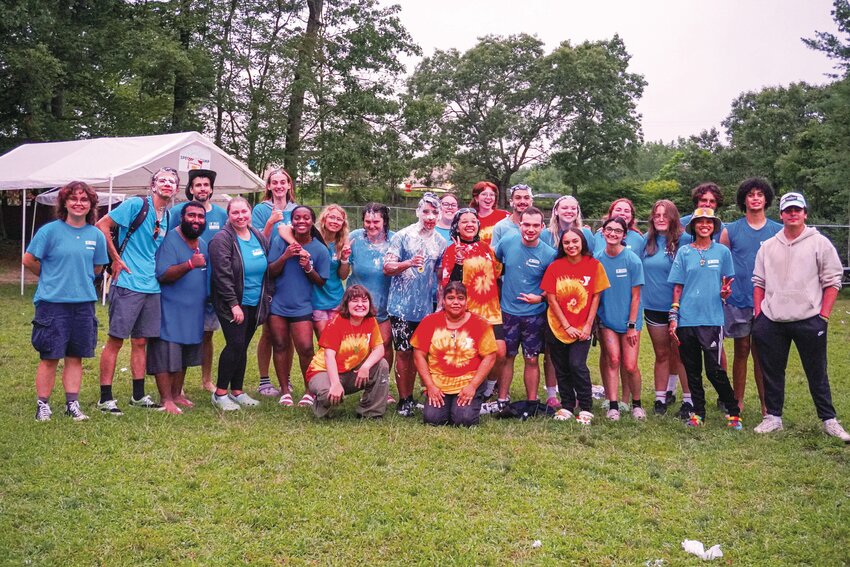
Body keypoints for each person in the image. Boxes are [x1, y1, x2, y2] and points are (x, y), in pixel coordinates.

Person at [751, 192, 850, 442]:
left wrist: (823, 316)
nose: (793, 214)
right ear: (781, 214)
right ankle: (773, 417)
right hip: (772, 320)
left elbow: (832, 282)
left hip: (809, 319)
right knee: (772, 371)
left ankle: (829, 419)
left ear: (805, 213)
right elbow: (758, 282)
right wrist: (759, 314)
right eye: (788, 210)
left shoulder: (819, 243)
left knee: (817, 372)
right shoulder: (769, 246)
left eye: (798, 209)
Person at [24, 181, 108, 422]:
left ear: (91, 205)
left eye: (84, 199)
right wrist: (48, 278)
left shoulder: (95, 235)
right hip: (52, 304)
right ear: (64, 203)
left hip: (83, 305)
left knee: (75, 356)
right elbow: (28, 259)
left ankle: (72, 404)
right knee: (50, 356)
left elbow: (98, 266)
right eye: (73, 198)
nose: (79, 203)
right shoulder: (49, 231)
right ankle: (43, 406)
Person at [95, 167, 176, 414]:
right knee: (116, 340)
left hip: (152, 286)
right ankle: (105, 398)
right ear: (152, 185)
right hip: (128, 283)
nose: (167, 184)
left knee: (141, 341)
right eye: (162, 180)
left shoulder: (169, 216)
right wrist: (115, 259)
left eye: (172, 181)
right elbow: (101, 225)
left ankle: (138, 396)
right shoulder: (136, 205)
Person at [667, 208, 740, 429]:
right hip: (687, 319)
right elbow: (678, 287)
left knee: (714, 370)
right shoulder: (684, 252)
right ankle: (698, 414)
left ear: (714, 226)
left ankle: (733, 412)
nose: (704, 225)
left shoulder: (722, 252)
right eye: (700, 222)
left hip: (711, 319)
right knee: (692, 370)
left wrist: (725, 293)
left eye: (709, 222)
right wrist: (674, 316)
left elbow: (726, 284)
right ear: (694, 226)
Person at [719, 178, 781, 414]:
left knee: (762, 354)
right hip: (738, 300)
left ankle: (767, 406)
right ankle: (738, 402)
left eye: (759, 194)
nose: (755, 198)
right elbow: (723, 265)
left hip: (768, 302)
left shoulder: (777, 230)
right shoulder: (730, 230)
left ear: (766, 199)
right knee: (741, 350)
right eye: (750, 194)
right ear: (743, 200)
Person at [384, 193, 447, 416]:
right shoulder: (403, 236)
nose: (430, 217)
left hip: (425, 309)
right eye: (426, 212)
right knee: (403, 352)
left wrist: (440, 305)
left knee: (420, 353)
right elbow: (387, 267)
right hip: (400, 307)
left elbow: (441, 278)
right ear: (417, 212)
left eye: (434, 213)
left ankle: (418, 395)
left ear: (440, 216)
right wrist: (408, 263)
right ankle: (404, 399)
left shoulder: (440, 241)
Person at [208, 197, 272, 411]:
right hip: (232, 303)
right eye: (235, 213)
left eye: (244, 211)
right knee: (234, 344)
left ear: (250, 212)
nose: (240, 216)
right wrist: (233, 304)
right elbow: (222, 275)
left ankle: (237, 391)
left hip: (255, 301)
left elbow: (266, 268)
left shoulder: (257, 236)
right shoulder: (222, 239)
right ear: (229, 215)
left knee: (242, 346)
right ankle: (220, 393)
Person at [541, 228, 609, 424]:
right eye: (566, 243)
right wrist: (566, 326)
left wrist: (588, 326)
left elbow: (596, 297)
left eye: (575, 241)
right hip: (557, 326)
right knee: (561, 367)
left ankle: (586, 407)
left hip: (582, 328)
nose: (571, 246)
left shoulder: (594, 265)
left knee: (577, 365)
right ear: (562, 246)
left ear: (582, 243)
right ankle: (567, 406)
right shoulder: (555, 267)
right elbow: (551, 300)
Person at [169, 169, 228, 393]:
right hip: (184, 280)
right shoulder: (177, 211)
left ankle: (206, 380)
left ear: (211, 189)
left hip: (211, 282)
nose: (202, 188)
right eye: (198, 185)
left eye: (206, 185)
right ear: (191, 189)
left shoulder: (222, 215)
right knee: (181, 333)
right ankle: (178, 384)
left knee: (207, 334)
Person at [148, 202, 209, 415]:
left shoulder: (202, 242)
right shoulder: (170, 240)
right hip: (170, 308)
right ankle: (166, 399)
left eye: (200, 217)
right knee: (166, 355)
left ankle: (177, 394)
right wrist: (190, 264)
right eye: (191, 215)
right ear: (182, 218)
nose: (196, 220)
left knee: (184, 354)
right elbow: (163, 274)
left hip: (194, 311)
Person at [493, 206, 556, 409]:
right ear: (519, 225)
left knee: (531, 359)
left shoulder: (549, 255)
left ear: (542, 227)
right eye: (526, 224)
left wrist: (540, 298)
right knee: (507, 357)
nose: (530, 229)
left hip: (534, 316)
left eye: (535, 225)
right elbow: (495, 263)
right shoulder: (507, 242)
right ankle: (502, 399)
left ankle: (532, 401)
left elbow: (556, 287)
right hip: (508, 313)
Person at [267, 205, 330, 407]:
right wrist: (285, 256)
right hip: (278, 304)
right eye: (297, 218)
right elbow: (270, 271)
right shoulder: (280, 242)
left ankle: (309, 390)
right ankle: (285, 390)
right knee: (280, 345)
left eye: (306, 218)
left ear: (312, 222)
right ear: (291, 221)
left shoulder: (320, 249)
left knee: (305, 348)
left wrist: (308, 267)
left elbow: (321, 281)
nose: (301, 221)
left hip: (302, 306)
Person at [440, 208, 505, 401]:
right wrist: (459, 262)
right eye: (464, 222)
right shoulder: (451, 250)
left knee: (499, 352)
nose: (469, 224)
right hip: (467, 312)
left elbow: (497, 274)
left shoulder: (487, 248)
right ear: (457, 227)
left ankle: (489, 389)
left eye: (473, 221)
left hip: (491, 310)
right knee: (470, 354)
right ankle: (466, 390)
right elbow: (449, 285)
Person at [411, 282, 498, 426]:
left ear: (466, 301)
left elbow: (490, 356)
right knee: (433, 419)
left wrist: (472, 386)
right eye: (450, 298)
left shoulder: (480, 324)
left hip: (468, 382)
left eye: (460, 298)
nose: (456, 302)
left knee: (464, 420)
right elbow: (418, 355)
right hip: (438, 384)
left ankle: (474, 404)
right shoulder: (429, 322)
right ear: (443, 301)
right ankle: (448, 406)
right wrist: (430, 386)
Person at [306, 285, 390, 419]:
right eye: (355, 301)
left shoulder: (370, 321)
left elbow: (379, 349)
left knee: (382, 364)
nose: (360, 305)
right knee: (329, 393)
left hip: (350, 371)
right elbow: (329, 355)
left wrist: (366, 367)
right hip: (324, 371)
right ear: (346, 303)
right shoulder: (336, 322)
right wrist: (335, 383)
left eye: (364, 301)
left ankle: (370, 411)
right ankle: (321, 404)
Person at [640, 200, 691, 417]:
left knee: (680, 354)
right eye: (656, 215)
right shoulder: (646, 241)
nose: (660, 218)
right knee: (661, 354)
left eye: (665, 215)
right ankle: (660, 398)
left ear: (673, 218)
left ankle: (689, 400)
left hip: (678, 308)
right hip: (653, 307)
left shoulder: (685, 240)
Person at [253, 167, 298, 398]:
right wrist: (270, 223)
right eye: (275, 182)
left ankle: (285, 378)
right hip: (269, 272)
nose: (279, 186)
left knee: (287, 333)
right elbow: (256, 240)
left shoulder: (296, 209)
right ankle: (264, 380)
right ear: (268, 186)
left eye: (283, 182)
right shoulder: (261, 210)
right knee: (269, 332)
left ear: (289, 185)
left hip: (292, 274)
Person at [595, 217, 645, 421]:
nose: (613, 234)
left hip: (630, 322)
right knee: (613, 360)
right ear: (603, 232)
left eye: (618, 231)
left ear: (624, 235)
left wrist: (632, 325)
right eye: (609, 230)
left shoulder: (632, 260)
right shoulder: (597, 259)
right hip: (607, 320)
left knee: (630, 365)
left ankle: (637, 404)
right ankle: (613, 406)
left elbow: (636, 296)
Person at [347, 203, 396, 373]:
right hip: (356, 304)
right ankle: (354, 380)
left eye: (376, 222)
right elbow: (343, 272)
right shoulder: (355, 238)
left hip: (385, 304)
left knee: (384, 345)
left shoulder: (395, 240)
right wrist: (344, 259)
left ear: (385, 221)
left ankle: (382, 382)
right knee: (356, 346)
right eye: (367, 221)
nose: (371, 225)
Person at [309, 204, 350, 335]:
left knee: (336, 341)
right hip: (316, 299)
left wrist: (344, 259)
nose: (335, 221)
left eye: (339, 219)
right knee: (324, 340)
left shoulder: (342, 244)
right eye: (332, 217)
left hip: (336, 298)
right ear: (324, 219)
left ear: (343, 224)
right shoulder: (311, 239)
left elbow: (343, 276)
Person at [469, 181, 509, 246]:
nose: (488, 197)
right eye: (484, 194)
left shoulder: (505, 216)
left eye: (492, 195)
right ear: (476, 198)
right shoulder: (470, 219)